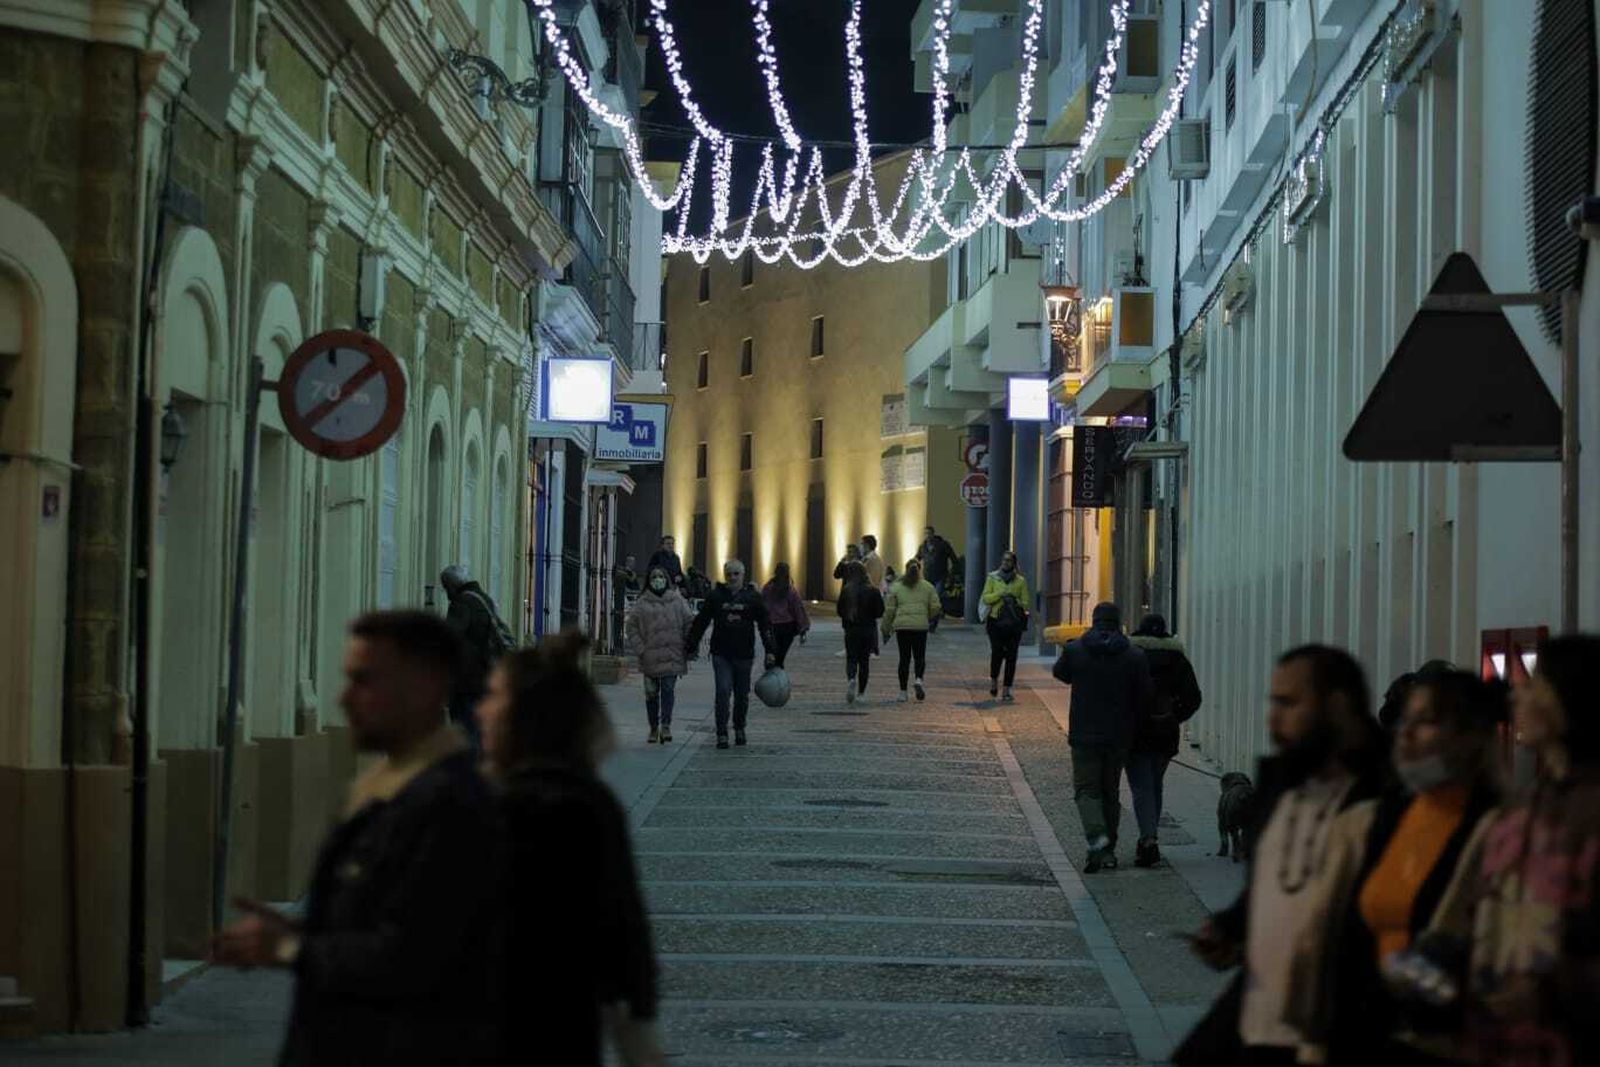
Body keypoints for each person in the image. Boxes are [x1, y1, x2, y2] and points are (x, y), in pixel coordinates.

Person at [214, 611, 501, 1064]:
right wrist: (296, 932)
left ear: (424, 689)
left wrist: (290, 947)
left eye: (366, 681)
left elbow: (414, 956)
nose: (345, 698)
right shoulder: (388, 791)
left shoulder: (451, 808)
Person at [1176, 644, 1388, 1067]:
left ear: (1338, 706)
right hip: (1262, 1022)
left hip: (1341, 1030)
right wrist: (1230, 927)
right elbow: (1270, 888)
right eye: (1273, 702)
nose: (1273, 718)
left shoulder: (1386, 801)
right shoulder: (1280, 790)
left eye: (1288, 703)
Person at [1283, 669, 1502, 1065]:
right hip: (1363, 1034)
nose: (1407, 733)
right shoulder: (1376, 819)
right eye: (1405, 721)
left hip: (1445, 1043)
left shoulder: (1497, 831)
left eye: (1427, 722)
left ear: (1471, 739)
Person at [476, 634, 663, 1066]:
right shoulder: (591, 805)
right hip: (566, 1034)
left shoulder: (503, 810)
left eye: (495, 700)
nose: (482, 711)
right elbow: (628, 949)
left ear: (526, 722)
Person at [1414, 634, 1600, 1067]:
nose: (1517, 693)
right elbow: (1467, 922)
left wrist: (1552, 991)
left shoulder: (1587, 814)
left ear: (1571, 699)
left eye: (1534, 685)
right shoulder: (1513, 816)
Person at [1051, 602, 1153, 873]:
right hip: (1119, 737)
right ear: (1118, 622)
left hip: (1084, 735)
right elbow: (1145, 696)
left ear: (1094, 621)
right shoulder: (1134, 655)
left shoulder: (1076, 650)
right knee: (1110, 792)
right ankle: (1108, 852)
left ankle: (1097, 839)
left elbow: (1060, 673)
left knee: (1086, 791)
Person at [1127, 613, 1203, 868]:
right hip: (1165, 732)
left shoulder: (1131, 656)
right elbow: (1194, 698)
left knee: (1141, 787)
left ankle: (1148, 839)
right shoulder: (1177, 659)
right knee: (1155, 784)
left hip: (1135, 731)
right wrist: (1174, 717)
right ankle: (1150, 837)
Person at [685, 559, 775, 749]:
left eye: (736, 574)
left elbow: (765, 624)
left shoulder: (752, 598)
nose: (732, 577)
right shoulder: (716, 596)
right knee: (723, 691)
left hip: (744, 654)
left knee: (742, 694)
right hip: (721, 653)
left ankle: (740, 727)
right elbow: (701, 621)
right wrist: (691, 645)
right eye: (729, 574)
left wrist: (770, 650)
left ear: (743, 575)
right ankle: (722, 732)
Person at [441, 565, 513, 744]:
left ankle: (470, 767)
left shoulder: (462, 603)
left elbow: (449, 637)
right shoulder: (483, 598)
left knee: (466, 728)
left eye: (445, 587)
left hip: (468, 678)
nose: (446, 592)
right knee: (478, 727)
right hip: (486, 674)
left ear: (451, 586)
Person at [624, 565, 694, 744]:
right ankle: (653, 727)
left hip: (672, 654)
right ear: (649, 580)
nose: (657, 580)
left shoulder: (677, 600)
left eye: (661, 576)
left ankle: (666, 725)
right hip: (650, 656)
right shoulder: (642, 602)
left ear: (666, 580)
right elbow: (631, 627)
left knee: (668, 690)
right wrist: (641, 649)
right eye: (654, 577)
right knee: (651, 693)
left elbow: (688, 623)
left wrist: (688, 646)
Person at [881, 558, 941, 702]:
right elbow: (936, 606)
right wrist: (926, 616)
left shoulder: (896, 587)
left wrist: (885, 629)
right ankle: (919, 680)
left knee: (904, 659)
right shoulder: (928, 587)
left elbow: (889, 610)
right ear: (919, 570)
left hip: (902, 627)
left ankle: (903, 692)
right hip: (920, 627)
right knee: (919, 656)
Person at [981, 551, 1030, 700]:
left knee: (1011, 656)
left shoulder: (1020, 581)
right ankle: (994, 681)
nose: (1005, 563)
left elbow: (1026, 602)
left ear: (1014, 563)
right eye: (1004, 560)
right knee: (997, 652)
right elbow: (986, 597)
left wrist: (1014, 600)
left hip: (1014, 623)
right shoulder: (992, 577)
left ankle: (1007, 689)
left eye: (1009, 561)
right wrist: (1000, 595)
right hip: (995, 621)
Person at [837, 559, 884, 704]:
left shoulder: (847, 590)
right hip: (868, 630)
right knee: (864, 662)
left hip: (851, 629)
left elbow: (840, 611)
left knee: (851, 658)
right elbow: (880, 612)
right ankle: (861, 693)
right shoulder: (873, 590)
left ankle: (851, 679)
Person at [761, 562, 810, 669]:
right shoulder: (791, 591)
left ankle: (770, 679)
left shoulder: (767, 588)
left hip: (771, 626)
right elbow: (798, 609)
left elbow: (762, 606)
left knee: (770, 655)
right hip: (787, 627)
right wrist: (803, 629)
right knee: (780, 657)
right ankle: (778, 679)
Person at [917, 525, 955, 591]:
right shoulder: (923, 547)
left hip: (940, 576)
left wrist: (951, 574)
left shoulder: (943, 545)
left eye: (929, 533)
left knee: (937, 596)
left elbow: (953, 558)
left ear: (933, 534)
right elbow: (917, 558)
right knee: (929, 596)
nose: (927, 536)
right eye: (925, 534)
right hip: (928, 576)